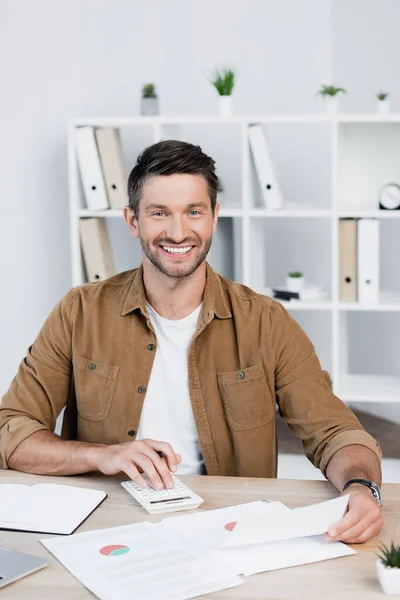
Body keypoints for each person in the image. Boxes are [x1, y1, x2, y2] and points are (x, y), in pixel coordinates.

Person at [0, 140, 382, 544]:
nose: (178, 232)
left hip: (232, 531)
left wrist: (361, 489)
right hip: (106, 528)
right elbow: (12, 430)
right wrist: (101, 455)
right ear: (132, 221)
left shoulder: (266, 322)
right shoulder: (79, 312)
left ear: (214, 216)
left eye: (193, 212)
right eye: (159, 213)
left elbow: (336, 433)